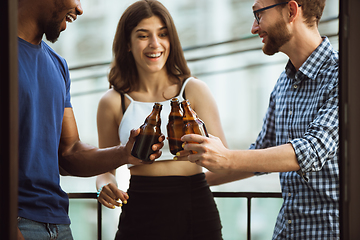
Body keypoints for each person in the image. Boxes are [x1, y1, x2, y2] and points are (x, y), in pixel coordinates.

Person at [179, 0, 339, 239]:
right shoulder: (284, 83)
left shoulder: (344, 74)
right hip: (287, 232)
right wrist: (180, 186)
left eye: (258, 14)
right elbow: (260, 153)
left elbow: (314, 148)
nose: (254, 27)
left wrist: (227, 157)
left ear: (291, 11)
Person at [17, 0, 164, 239]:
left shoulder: (58, 65)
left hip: (58, 223)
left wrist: (124, 153)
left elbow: (69, 153)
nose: (80, 8)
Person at [95, 0, 227, 239]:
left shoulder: (194, 89)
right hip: (140, 208)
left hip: (195, 204)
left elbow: (223, 157)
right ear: (127, 43)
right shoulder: (113, 101)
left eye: (162, 34)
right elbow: (105, 168)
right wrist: (103, 186)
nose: (155, 44)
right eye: (143, 35)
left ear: (171, 40)